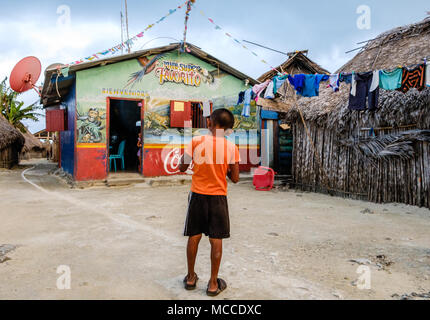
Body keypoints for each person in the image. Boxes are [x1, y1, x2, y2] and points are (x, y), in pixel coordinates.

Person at [179, 108, 240, 297]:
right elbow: (236, 178)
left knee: (194, 237)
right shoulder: (231, 147)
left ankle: (190, 278)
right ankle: (213, 284)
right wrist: (224, 169)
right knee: (216, 240)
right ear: (228, 129)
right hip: (218, 198)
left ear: (209, 123)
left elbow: (182, 167)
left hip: (197, 195)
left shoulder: (196, 141)